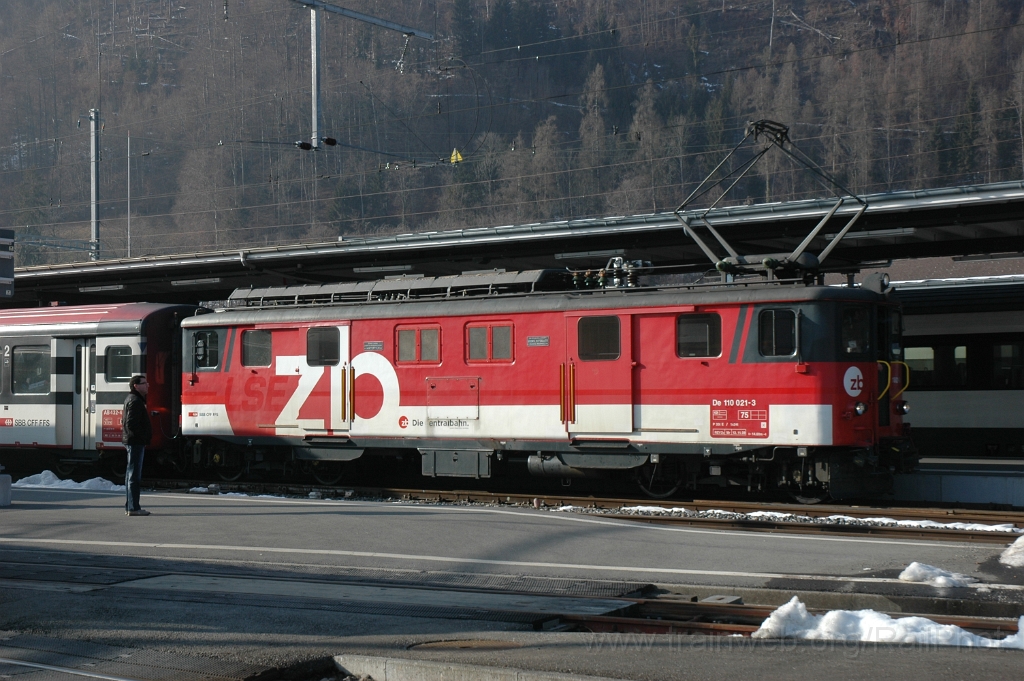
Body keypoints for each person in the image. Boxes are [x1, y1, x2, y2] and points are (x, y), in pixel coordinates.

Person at [122, 375, 152, 516]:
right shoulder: (135, 401)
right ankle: (133, 508)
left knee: (130, 475)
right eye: (144, 383)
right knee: (134, 476)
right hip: (135, 442)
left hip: (133, 441)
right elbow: (131, 424)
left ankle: (130, 506)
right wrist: (143, 436)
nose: (148, 385)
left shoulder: (132, 399)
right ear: (136, 386)